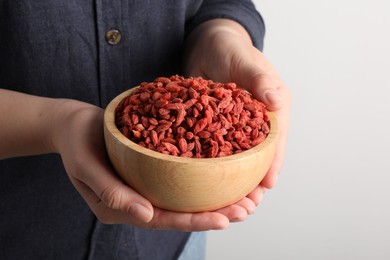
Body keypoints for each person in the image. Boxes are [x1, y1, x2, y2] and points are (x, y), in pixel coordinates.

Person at [0, 0, 291, 259]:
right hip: (24, 233)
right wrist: (52, 123)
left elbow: (217, 4)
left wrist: (222, 36)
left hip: (174, 243)